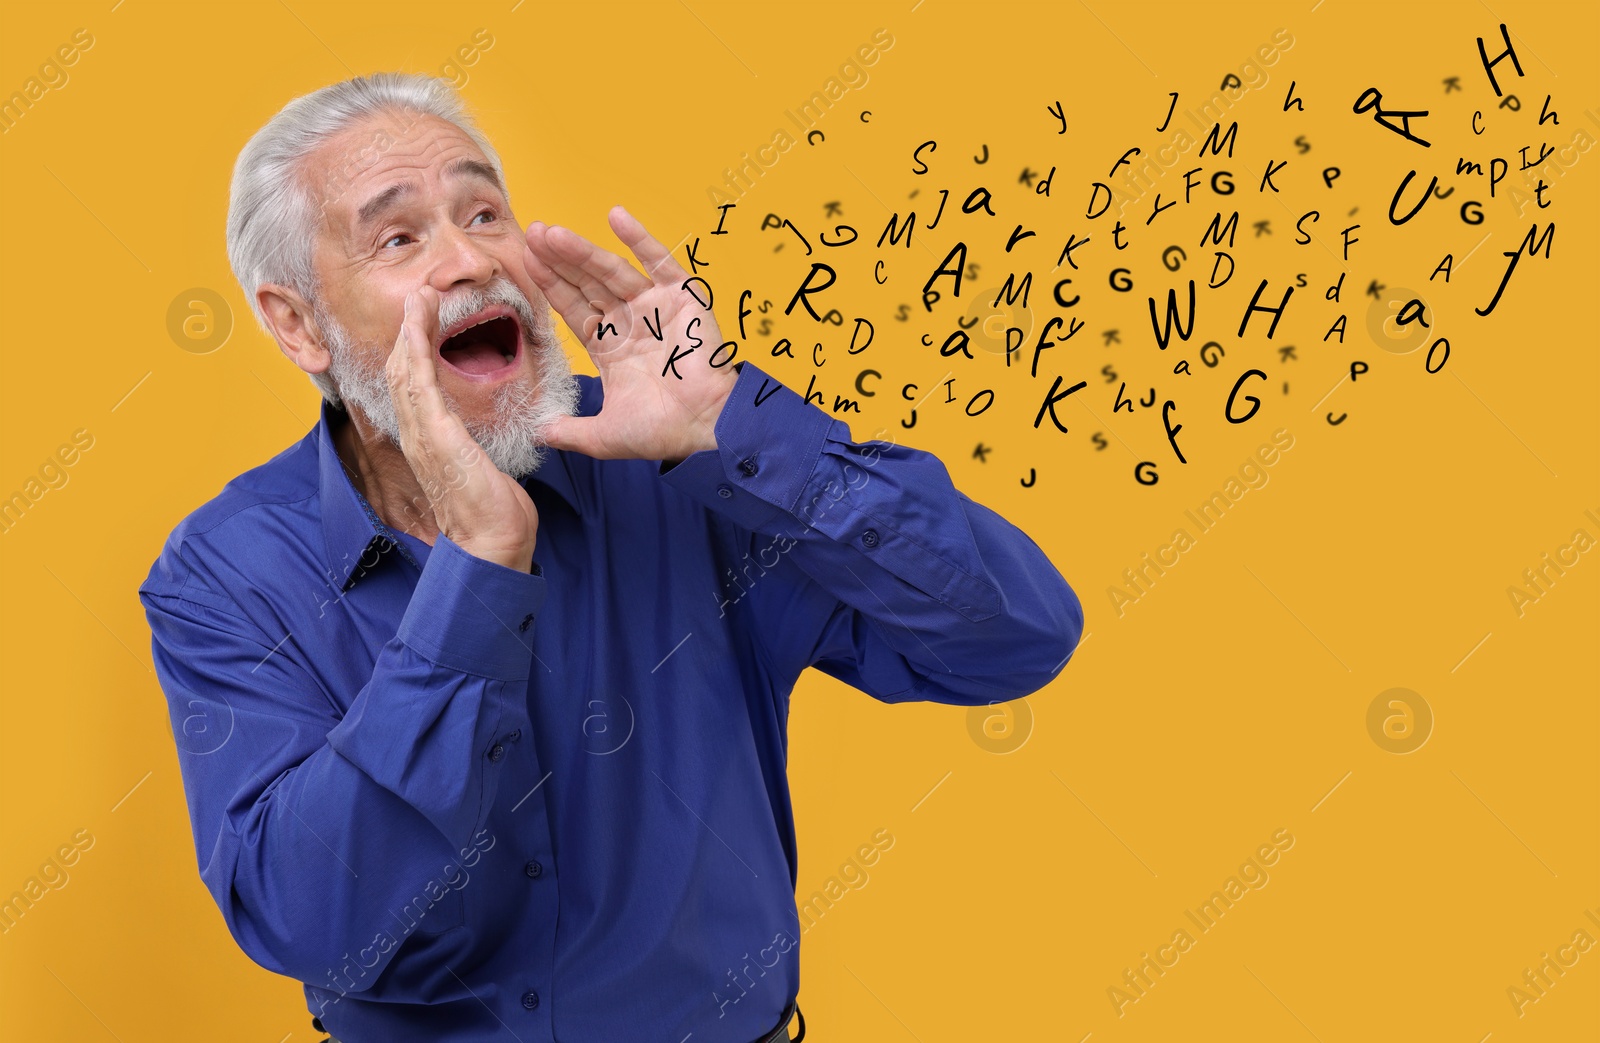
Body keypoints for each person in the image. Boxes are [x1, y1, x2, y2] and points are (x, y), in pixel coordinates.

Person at [139, 72, 1084, 1043]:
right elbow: (304, 916)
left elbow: (1009, 641)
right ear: (298, 323)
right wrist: (478, 564)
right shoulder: (227, 569)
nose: (469, 258)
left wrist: (733, 428)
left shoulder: (690, 466)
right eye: (399, 237)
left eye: (483, 210)